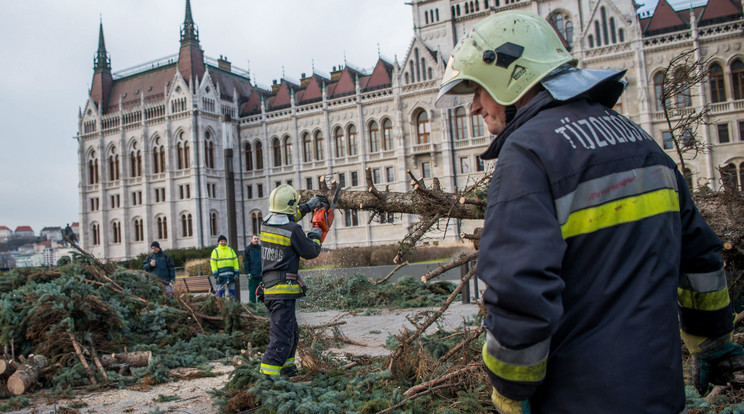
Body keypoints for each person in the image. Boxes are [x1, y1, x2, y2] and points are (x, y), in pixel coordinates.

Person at [435, 10, 744, 414]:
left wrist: (510, 392)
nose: (474, 107)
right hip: (659, 393)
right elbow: (701, 259)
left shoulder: (528, 153)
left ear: (511, 77)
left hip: (577, 398)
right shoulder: (637, 138)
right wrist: (712, 345)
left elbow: (518, 290)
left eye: (477, 89)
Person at [259, 184, 323, 379]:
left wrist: (309, 206)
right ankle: (267, 378)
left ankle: (287, 370)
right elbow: (310, 251)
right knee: (282, 339)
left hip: (271, 290)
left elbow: (288, 217)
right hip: (282, 292)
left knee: (291, 334)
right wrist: (316, 234)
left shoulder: (266, 224)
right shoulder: (293, 230)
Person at [244, 234, 262, 303]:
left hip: (260, 275)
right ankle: (252, 306)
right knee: (252, 292)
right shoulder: (248, 249)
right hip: (252, 275)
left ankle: (260, 306)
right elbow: (246, 262)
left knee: (261, 292)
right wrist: (248, 273)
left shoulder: (261, 248)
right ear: (251, 240)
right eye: (255, 238)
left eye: (257, 239)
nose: (256, 240)